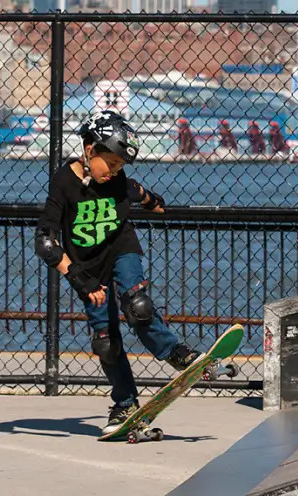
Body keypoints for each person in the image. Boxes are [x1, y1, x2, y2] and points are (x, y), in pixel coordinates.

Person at [35, 110, 198, 432]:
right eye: (110, 164)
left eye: (120, 166)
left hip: (122, 251)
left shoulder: (119, 181)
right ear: (90, 150)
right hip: (86, 269)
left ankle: (177, 353)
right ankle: (124, 405)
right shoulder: (64, 182)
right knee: (106, 341)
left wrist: (153, 202)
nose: (114, 172)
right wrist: (80, 280)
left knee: (137, 306)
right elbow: (47, 243)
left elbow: (137, 191)